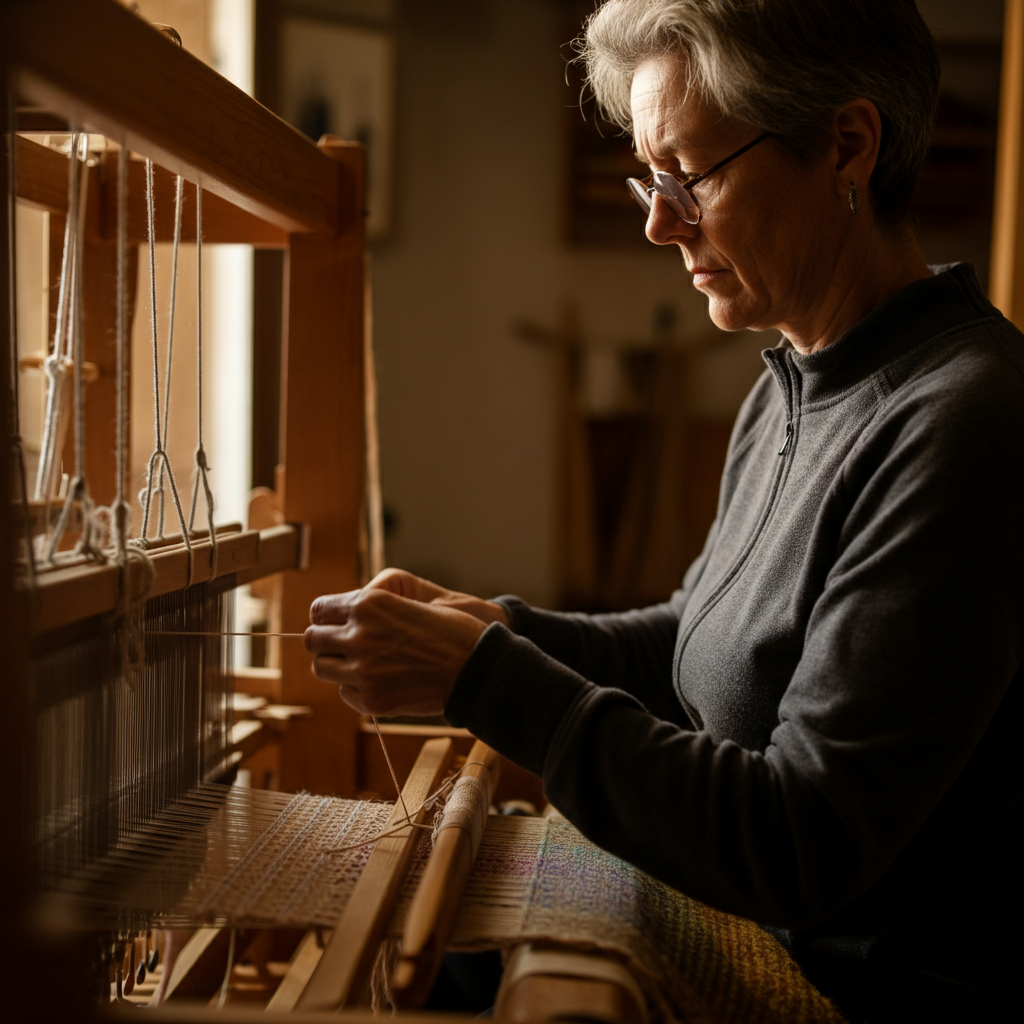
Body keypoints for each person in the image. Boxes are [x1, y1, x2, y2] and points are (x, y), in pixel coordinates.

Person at [304, 1, 1022, 1019]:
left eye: (691, 175)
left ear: (845, 146)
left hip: (859, 989)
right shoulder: (789, 382)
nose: (657, 220)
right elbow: (697, 641)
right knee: (446, 960)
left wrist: (489, 681)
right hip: (767, 933)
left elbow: (799, 842)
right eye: (651, 178)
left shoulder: (967, 423)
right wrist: (500, 628)